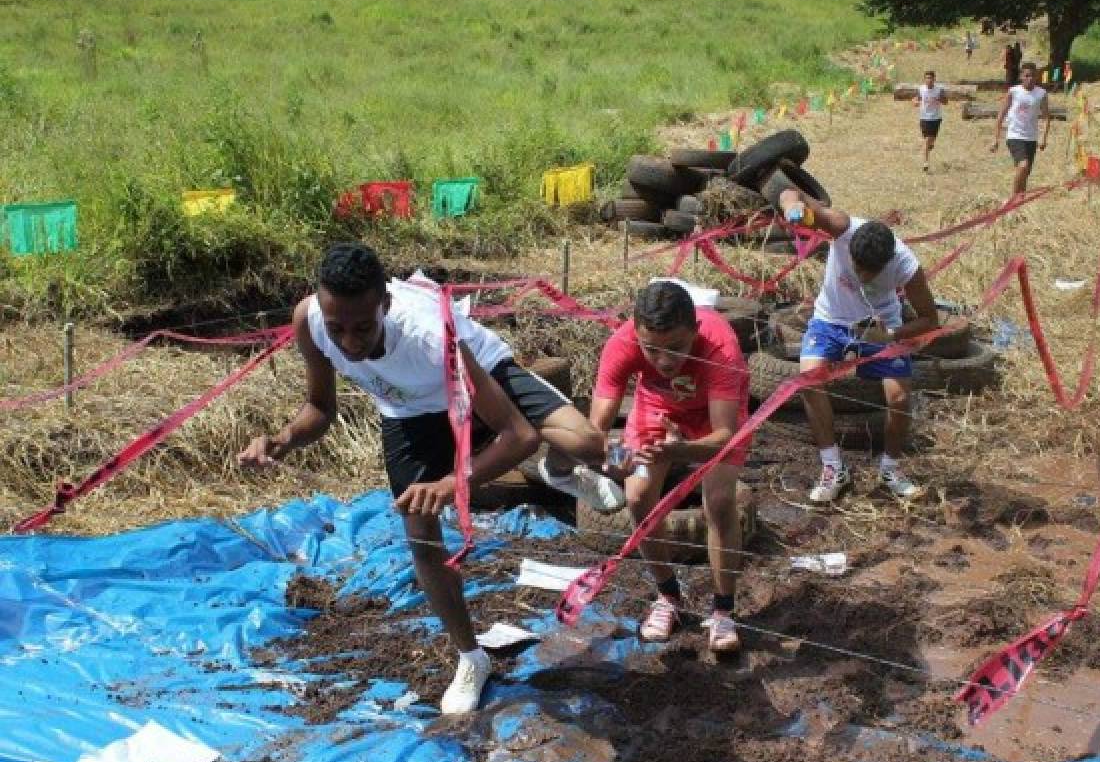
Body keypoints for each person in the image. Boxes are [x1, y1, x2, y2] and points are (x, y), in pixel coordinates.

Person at [237, 242, 623, 714]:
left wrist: (451, 484)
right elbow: (320, 409)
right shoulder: (311, 321)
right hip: (410, 409)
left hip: (478, 374)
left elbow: (516, 435)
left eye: (362, 327)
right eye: (338, 328)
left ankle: (558, 469)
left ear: (385, 303)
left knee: (588, 444)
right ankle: (471, 658)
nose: (351, 342)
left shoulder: (428, 335)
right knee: (420, 533)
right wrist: (281, 439)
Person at [588, 280, 751, 653]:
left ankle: (723, 611)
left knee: (721, 501)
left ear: (695, 330)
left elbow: (725, 434)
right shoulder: (622, 342)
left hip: (712, 421)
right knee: (638, 494)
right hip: (657, 412)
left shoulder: (721, 348)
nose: (663, 361)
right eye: (652, 350)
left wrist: (680, 451)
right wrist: (615, 460)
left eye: (676, 348)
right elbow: (595, 430)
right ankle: (668, 597)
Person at [776, 190, 938, 505]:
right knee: (809, 380)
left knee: (900, 396)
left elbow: (929, 319)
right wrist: (791, 206)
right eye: (857, 266)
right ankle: (833, 467)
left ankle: (890, 470)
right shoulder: (840, 226)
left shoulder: (906, 265)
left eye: (871, 272)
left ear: (888, 262)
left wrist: (891, 335)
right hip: (829, 320)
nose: (862, 275)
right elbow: (788, 193)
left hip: (880, 327)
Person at [991, 61, 1050, 196]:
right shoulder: (1013, 91)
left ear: (1037, 77)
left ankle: (1020, 201)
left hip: (1031, 137)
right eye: (1027, 76)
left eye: (1033, 76)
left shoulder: (1041, 93)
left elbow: (1046, 117)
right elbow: (1001, 115)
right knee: (1023, 165)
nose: (1030, 79)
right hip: (1014, 135)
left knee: (1025, 172)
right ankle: (1012, 200)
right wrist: (995, 139)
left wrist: (1043, 138)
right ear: (1021, 76)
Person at [912, 70, 948, 173]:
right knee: (927, 140)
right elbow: (915, 99)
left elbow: (946, 102)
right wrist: (915, 102)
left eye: (931, 78)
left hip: (936, 118)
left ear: (934, 79)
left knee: (931, 140)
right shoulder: (921, 89)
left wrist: (941, 99)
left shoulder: (939, 90)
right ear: (924, 79)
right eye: (927, 78)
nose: (929, 80)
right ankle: (925, 163)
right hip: (924, 117)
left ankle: (930, 146)